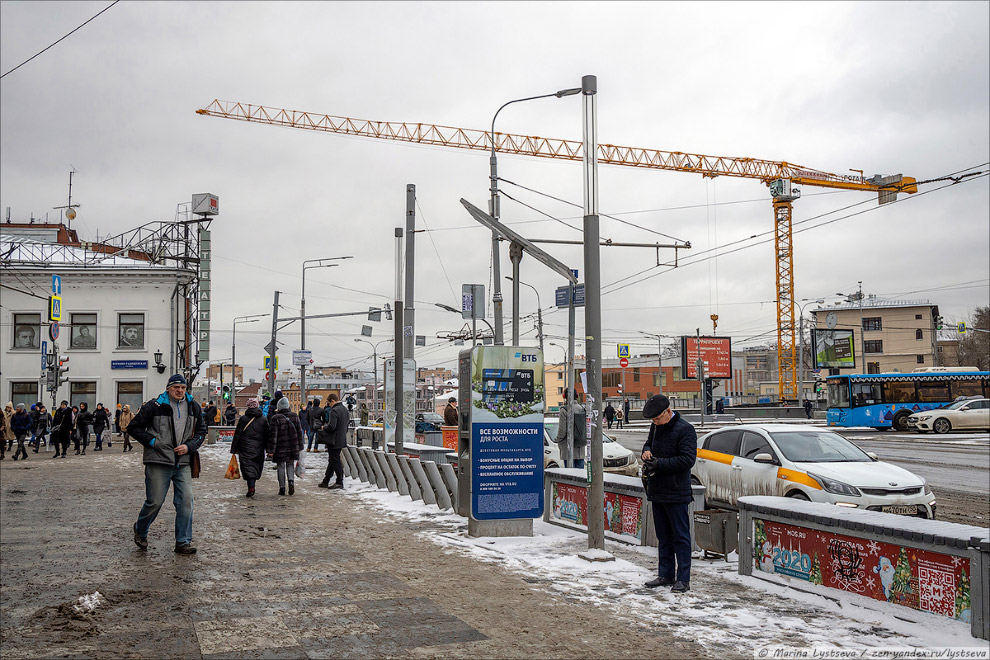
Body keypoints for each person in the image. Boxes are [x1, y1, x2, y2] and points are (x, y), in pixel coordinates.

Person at [128, 373, 206, 554]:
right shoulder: (154, 406)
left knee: (186, 501)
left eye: (183, 387)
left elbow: (201, 432)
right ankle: (140, 529)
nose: (180, 391)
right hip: (158, 460)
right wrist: (153, 442)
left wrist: (189, 446)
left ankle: (183, 542)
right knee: (154, 501)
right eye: (176, 387)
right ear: (168, 388)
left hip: (183, 462)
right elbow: (134, 427)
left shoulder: (193, 407)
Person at [640, 394, 697, 594]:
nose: (655, 423)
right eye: (653, 420)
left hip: (676, 491)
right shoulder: (656, 427)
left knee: (680, 537)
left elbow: (687, 460)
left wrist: (659, 464)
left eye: (657, 419)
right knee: (663, 536)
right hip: (657, 489)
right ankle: (665, 574)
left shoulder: (685, 430)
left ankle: (683, 578)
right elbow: (648, 444)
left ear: (668, 412)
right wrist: (646, 452)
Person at [230, 398, 270, 498]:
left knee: (247, 466)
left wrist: (234, 449)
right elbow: (268, 435)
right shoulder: (263, 419)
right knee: (256, 466)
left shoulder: (243, 419)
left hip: (245, 447)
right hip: (259, 448)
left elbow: (237, 435)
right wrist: (268, 448)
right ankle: (253, 483)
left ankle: (251, 486)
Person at [268, 397, 304, 496]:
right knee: (290, 464)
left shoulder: (275, 418)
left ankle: (282, 488)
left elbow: (273, 435)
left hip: (280, 447)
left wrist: (271, 450)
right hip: (293, 446)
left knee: (280, 466)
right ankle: (291, 482)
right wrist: (300, 446)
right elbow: (299, 432)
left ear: (279, 407)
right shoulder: (294, 416)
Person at [318, 393, 349, 490]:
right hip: (341, 439)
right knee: (332, 460)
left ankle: (339, 481)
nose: (328, 405)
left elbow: (332, 426)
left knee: (335, 461)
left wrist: (324, 427)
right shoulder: (345, 410)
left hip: (333, 440)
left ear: (332, 401)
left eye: (328, 402)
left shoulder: (334, 410)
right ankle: (326, 480)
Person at [554, 391, 587, 468]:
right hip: (580, 448)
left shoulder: (564, 410)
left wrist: (557, 439)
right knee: (580, 475)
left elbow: (562, 431)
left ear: (564, 396)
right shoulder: (582, 409)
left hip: (567, 448)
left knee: (570, 475)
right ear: (577, 396)